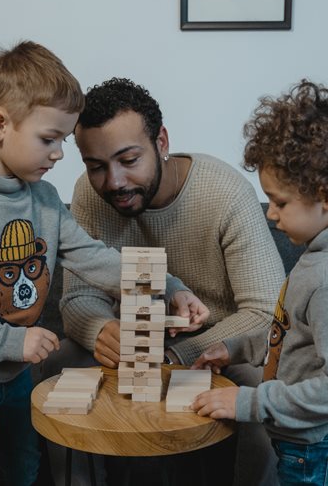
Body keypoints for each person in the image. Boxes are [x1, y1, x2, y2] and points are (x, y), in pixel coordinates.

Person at [0, 42, 208, 486]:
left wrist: (169, 284)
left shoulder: (42, 199)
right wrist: (10, 343)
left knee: (25, 471)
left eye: (62, 141)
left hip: (17, 374)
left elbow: (91, 257)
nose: (60, 154)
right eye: (49, 139)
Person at [46, 77, 286, 485]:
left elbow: (266, 312)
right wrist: (100, 329)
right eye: (96, 166)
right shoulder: (90, 194)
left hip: (218, 346)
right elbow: (76, 299)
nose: (114, 182)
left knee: (263, 395)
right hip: (130, 343)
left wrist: (180, 354)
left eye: (128, 160)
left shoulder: (224, 193)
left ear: (162, 142)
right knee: (58, 369)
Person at [191, 80, 328, 486]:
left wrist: (248, 401)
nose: (270, 215)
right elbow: (294, 331)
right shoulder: (327, 252)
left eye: (280, 202)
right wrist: (236, 348)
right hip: (307, 436)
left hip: (319, 444)